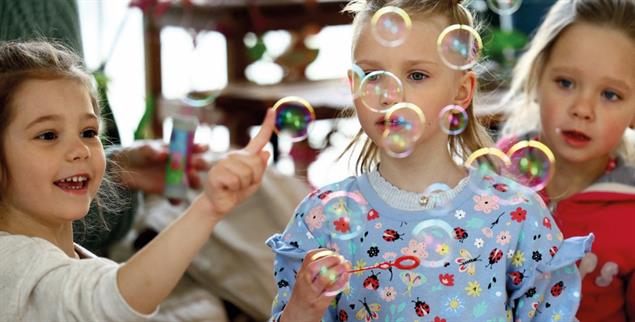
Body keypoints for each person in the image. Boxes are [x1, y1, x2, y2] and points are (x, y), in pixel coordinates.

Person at [266, 1, 593, 321]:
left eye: (417, 75)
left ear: (461, 91)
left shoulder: (515, 214)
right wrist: (303, 308)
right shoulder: (321, 218)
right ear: (354, 86)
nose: (390, 95)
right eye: (373, 74)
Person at [0, 40, 274, 321]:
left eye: (88, 132)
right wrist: (208, 208)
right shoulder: (9, 265)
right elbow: (113, 300)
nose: (81, 150)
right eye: (48, 135)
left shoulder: (75, 259)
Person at [499, 1, 635, 321]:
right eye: (565, 83)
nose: (582, 108)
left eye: (610, 94)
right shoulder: (493, 177)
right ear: (536, 78)